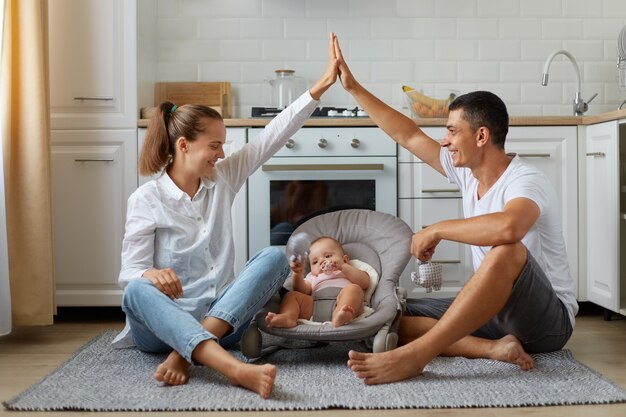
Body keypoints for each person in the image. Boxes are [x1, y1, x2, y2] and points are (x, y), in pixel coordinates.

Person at [331, 36, 578, 384]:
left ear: (480, 137)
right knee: (387, 313)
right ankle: (493, 349)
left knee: (507, 250)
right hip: (496, 314)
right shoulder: (467, 174)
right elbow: (408, 135)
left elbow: (509, 228)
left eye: (451, 131)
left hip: (546, 324)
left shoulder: (526, 180)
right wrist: (354, 88)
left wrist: (438, 229)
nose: (444, 140)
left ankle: (418, 355)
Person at [111, 33, 340, 398]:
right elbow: (129, 272)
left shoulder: (222, 178)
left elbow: (272, 136)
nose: (221, 153)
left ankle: (186, 354)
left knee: (273, 256)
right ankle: (231, 367)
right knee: (137, 290)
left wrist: (320, 87)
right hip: (160, 328)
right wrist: (151, 274)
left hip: (223, 320)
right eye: (214, 145)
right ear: (183, 146)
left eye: (223, 144)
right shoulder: (147, 198)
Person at [265, 236, 371, 328]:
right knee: (292, 295)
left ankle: (341, 315)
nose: (321, 261)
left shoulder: (347, 270)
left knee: (354, 289)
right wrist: (298, 274)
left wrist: (343, 267)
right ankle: (288, 316)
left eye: (328, 256)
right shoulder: (313, 277)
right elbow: (301, 290)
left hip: (343, 303)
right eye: (315, 262)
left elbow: (365, 282)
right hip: (315, 306)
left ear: (345, 259)